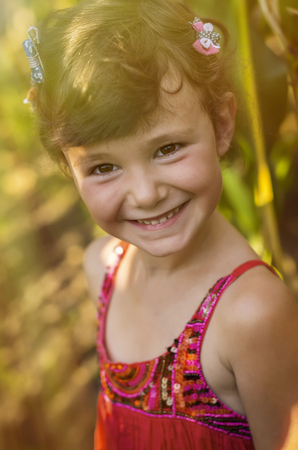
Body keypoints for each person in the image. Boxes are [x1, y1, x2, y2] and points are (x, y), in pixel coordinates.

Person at [22, 0, 298, 448]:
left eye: (167, 148)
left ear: (222, 124)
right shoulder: (103, 269)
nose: (146, 194)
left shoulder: (252, 316)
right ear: (67, 169)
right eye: (103, 167)